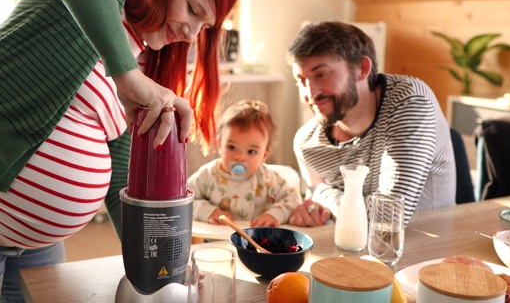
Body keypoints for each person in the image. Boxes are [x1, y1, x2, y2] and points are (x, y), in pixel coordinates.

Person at [0, 0, 239, 302]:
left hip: (34, 243)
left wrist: (166, 267)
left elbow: (121, 179)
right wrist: (125, 74)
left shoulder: (141, 63)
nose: (192, 34)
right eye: (193, 9)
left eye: (204, 26)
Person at [286, 21, 456, 227]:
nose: (311, 94)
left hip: (432, 248)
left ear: (362, 69)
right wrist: (311, 212)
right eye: (301, 80)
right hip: (352, 252)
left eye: (321, 74)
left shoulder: (410, 100)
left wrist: (323, 192)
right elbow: (321, 215)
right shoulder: (307, 144)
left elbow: (388, 217)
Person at [188, 100, 302, 227]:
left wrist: (274, 214)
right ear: (220, 145)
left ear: (264, 155)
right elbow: (184, 199)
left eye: (251, 151)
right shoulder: (207, 175)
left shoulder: (267, 179)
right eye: (232, 147)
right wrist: (208, 211)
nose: (240, 157)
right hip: (216, 241)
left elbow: (293, 198)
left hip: (254, 240)